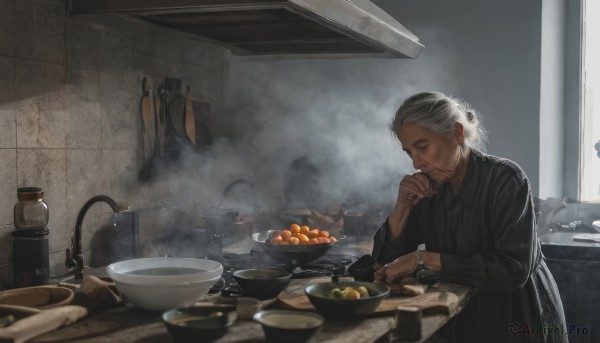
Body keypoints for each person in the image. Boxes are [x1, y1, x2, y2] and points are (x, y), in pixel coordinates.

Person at [372, 92, 567, 342]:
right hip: (460, 318)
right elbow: (387, 263)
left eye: (422, 147)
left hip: (517, 318)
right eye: (409, 152)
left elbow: (513, 269)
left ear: (456, 132)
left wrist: (425, 259)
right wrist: (402, 208)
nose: (416, 163)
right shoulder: (429, 188)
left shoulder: (506, 179)